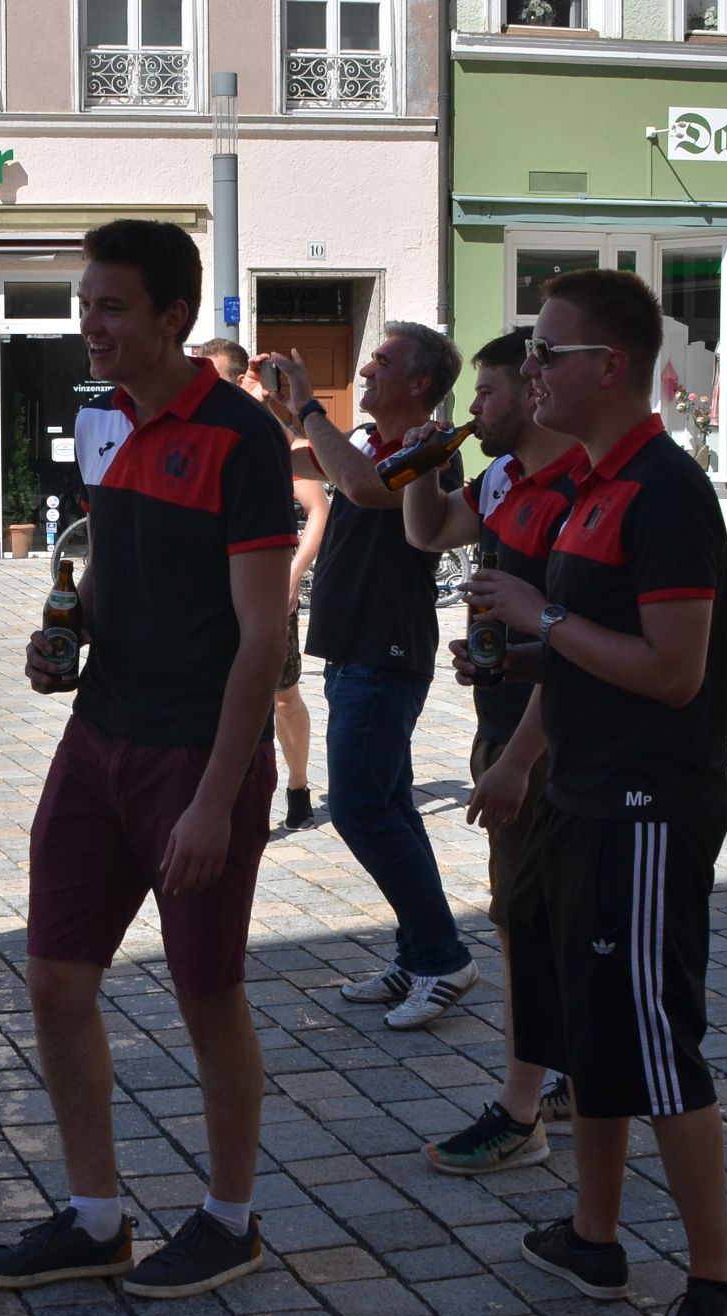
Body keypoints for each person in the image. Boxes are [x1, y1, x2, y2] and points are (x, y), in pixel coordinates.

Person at [0, 220, 294, 1300]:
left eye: (111, 306)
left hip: (195, 755)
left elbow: (264, 635)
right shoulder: (101, 416)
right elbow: (105, 559)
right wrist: (65, 632)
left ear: (172, 317)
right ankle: (96, 1217)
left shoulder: (241, 437)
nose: (90, 325)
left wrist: (214, 798)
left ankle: (230, 1219)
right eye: (84, 304)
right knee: (56, 978)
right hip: (97, 737)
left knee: (207, 991)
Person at [458, 269, 727, 1316]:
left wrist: (541, 618)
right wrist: (525, 665)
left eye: (547, 352)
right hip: (579, 794)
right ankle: (592, 1234)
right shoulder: (590, 482)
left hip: (645, 806)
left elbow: (672, 669)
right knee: (589, 1032)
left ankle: (714, 1281)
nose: (529, 368)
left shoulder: (663, 490)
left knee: (655, 1041)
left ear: (609, 367)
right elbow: (595, 647)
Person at [255, 326, 477, 1030]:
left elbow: (358, 484)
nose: (366, 369)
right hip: (355, 650)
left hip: (386, 652)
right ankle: (420, 953)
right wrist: (267, 407)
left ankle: (442, 958)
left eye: (382, 361)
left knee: (357, 808)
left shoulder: (430, 449)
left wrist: (306, 407)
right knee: (392, 806)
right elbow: (308, 458)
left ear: (419, 383)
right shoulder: (368, 439)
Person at [402, 330, 582, 1174]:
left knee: (523, 917)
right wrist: (422, 467)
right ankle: (574, 1075)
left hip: (541, 732)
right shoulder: (505, 474)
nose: (473, 409)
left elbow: (577, 638)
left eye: (487, 393)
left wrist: (515, 758)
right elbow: (431, 532)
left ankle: (520, 1110)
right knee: (543, 914)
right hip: (503, 713)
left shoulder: (576, 484)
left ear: (530, 393)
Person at [199, 337, 328, 830]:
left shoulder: (277, 440)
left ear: (239, 381)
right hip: (218, 590)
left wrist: (293, 577)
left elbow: (318, 511)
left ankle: (297, 785)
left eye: (213, 378)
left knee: (282, 695)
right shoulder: (204, 437)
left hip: (270, 590)